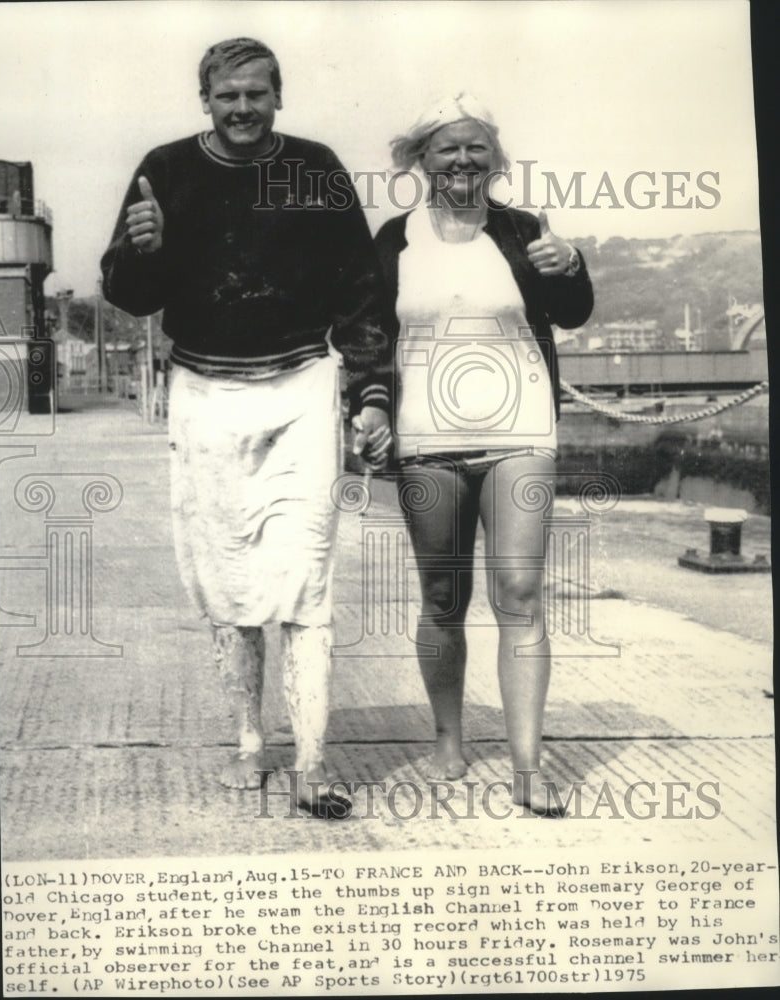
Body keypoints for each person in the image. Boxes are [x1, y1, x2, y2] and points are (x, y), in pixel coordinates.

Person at [101, 37, 391, 818]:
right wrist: (139, 255)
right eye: (226, 96)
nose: (241, 109)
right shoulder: (162, 168)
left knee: (305, 582)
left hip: (300, 385)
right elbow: (128, 293)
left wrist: (370, 395)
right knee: (228, 588)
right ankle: (247, 743)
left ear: (277, 96)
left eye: (255, 94)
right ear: (205, 100)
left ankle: (312, 761)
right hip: (203, 393)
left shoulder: (317, 167)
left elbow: (362, 292)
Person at [374, 95, 593, 815]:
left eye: (475, 148)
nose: (461, 160)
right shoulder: (392, 239)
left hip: (521, 431)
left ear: (494, 160)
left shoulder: (523, 230)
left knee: (521, 595)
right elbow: (367, 339)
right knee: (443, 600)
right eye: (445, 149)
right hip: (426, 438)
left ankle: (528, 767)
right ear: (419, 160)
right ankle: (447, 737)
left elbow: (570, 311)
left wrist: (569, 266)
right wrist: (368, 409)